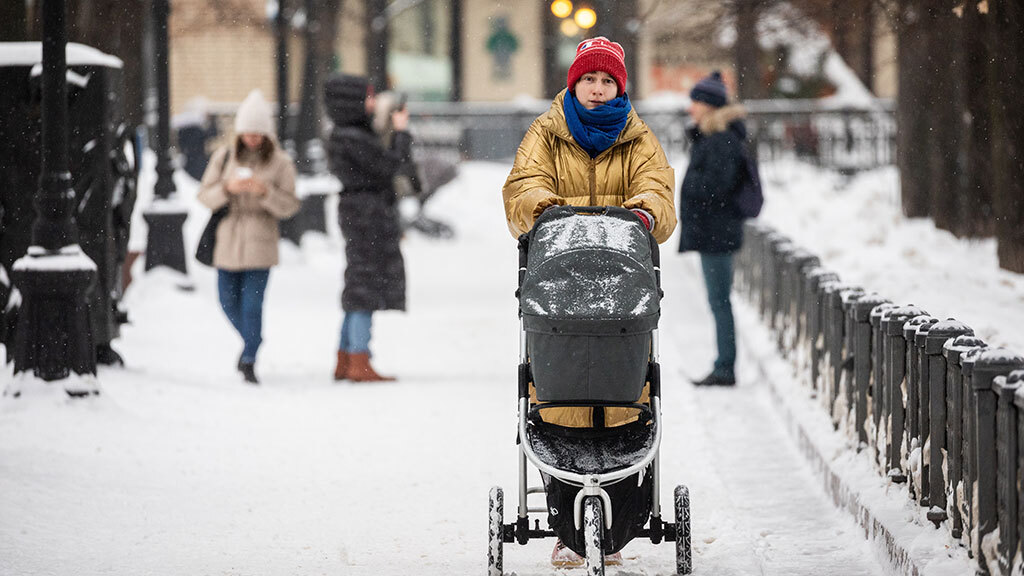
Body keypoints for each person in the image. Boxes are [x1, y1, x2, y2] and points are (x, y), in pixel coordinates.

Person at [501, 36, 676, 568]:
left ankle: (620, 523)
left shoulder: (639, 139)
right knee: (562, 400)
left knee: (625, 397)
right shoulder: (547, 133)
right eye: (588, 80)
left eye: (607, 81)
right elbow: (521, 188)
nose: (597, 90)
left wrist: (642, 211)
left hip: (623, 293)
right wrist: (548, 208)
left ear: (619, 86)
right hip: (560, 289)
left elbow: (660, 194)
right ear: (573, 83)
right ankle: (566, 526)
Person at [197, 90, 300, 385]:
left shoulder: (281, 162)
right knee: (227, 302)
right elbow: (204, 195)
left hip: (261, 242)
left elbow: (291, 205)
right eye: (247, 133)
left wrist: (264, 192)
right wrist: (228, 189)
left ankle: (250, 358)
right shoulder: (224, 155)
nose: (252, 139)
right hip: (227, 239)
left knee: (252, 306)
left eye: (258, 134)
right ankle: (253, 340)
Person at [324, 75, 409, 382]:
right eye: (368, 97)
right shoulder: (353, 137)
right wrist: (401, 133)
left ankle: (347, 356)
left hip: (359, 210)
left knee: (358, 278)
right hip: (367, 213)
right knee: (364, 283)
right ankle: (359, 358)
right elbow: (389, 165)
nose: (372, 103)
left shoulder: (346, 134)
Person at [677, 71, 749, 387]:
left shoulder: (721, 140)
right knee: (718, 300)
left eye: (696, 101)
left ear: (709, 105)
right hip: (716, 231)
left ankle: (725, 367)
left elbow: (717, 186)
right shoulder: (715, 136)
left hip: (718, 232)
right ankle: (724, 364)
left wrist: (691, 185)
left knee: (719, 301)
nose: (691, 107)